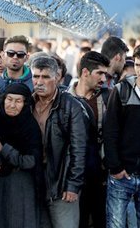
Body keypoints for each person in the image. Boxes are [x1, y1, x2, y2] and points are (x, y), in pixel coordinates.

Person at [30, 56, 87, 228]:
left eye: (45, 77)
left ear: (57, 78)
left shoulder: (71, 106)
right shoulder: (27, 103)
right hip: (33, 181)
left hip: (61, 184)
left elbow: (78, 150)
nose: (39, 82)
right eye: (36, 76)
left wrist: (72, 185)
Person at [0, 83, 43, 228]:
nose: (12, 105)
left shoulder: (29, 127)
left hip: (20, 185)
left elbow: (30, 160)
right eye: (9, 99)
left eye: (18, 101)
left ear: (25, 104)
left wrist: (2, 148)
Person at [68, 51, 110, 228]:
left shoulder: (108, 97)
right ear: (85, 72)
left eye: (105, 74)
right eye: (99, 73)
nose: (103, 78)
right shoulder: (65, 99)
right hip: (73, 175)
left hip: (101, 173)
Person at [104, 46, 140, 228]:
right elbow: (110, 131)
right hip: (122, 175)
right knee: (116, 224)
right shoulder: (121, 91)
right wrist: (116, 167)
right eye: (139, 65)